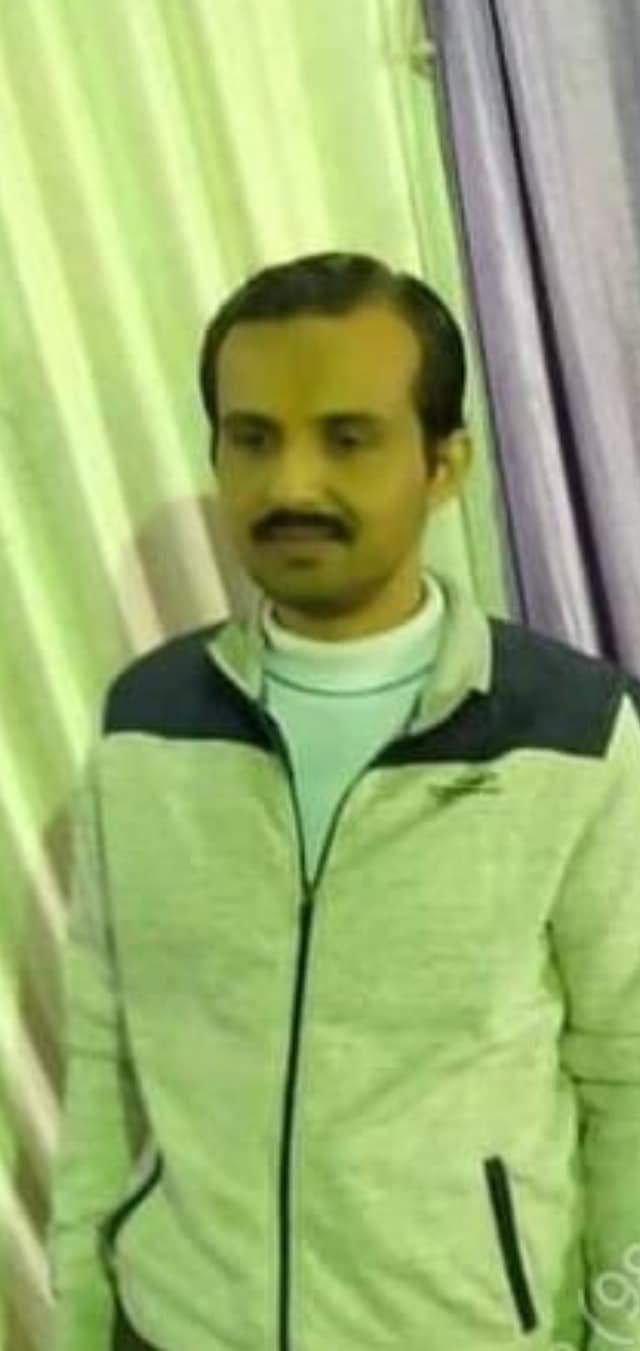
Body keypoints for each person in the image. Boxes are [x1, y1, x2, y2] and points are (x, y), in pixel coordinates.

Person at [46, 252, 640, 1351]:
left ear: (444, 462)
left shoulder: (573, 731)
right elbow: (105, 1057)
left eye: (347, 438)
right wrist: (79, 1321)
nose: (290, 486)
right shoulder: (145, 722)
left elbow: (629, 1075)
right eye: (252, 438)